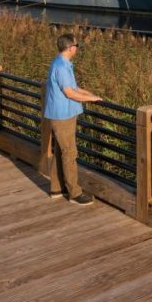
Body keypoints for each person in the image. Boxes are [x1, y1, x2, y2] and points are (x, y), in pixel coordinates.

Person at [38, 33, 102, 205]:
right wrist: (90, 99)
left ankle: (56, 188)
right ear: (70, 48)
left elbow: (73, 88)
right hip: (63, 116)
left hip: (62, 114)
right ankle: (74, 193)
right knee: (70, 153)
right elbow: (69, 93)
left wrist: (91, 95)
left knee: (60, 151)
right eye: (76, 45)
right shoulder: (61, 67)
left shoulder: (61, 64)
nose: (77, 48)